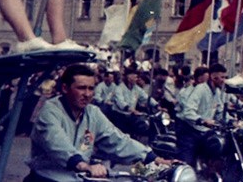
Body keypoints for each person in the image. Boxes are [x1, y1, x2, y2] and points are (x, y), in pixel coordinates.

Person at [26, 63, 170, 182]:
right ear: (65, 88)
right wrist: (83, 165)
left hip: (79, 176)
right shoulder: (50, 111)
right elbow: (57, 143)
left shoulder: (92, 112)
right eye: (81, 88)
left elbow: (117, 140)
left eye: (91, 88)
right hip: (47, 177)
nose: (87, 94)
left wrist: (152, 158)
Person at [176, 63, 229, 166]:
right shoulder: (200, 89)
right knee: (187, 163)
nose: (224, 80)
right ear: (213, 77)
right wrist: (202, 120)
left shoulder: (217, 92)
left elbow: (220, 111)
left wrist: (232, 121)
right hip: (189, 131)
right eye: (222, 77)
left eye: (225, 77)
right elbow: (188, 111)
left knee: (215, 153)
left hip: (204, 131)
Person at [108, 68, 153, 137]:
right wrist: (132, 110)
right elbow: (121, 103)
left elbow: (146, 97)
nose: (137, 79)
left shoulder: (136, 88)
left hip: (130, 115)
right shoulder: (119, 88)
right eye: (135, 77)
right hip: (119, 116)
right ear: (129, 78)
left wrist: (157, 105)